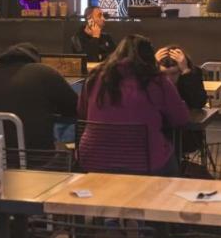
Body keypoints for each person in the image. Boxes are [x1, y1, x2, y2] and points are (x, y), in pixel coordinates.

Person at [77, 35, 190, 176]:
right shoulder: (157, 81)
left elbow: (82, 113)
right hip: (144, 163)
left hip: (92, 160)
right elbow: (180, 119)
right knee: (170, 158)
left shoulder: (94, 77)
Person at [0, 43, 79, 153]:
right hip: (33, 154)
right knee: (66, 152)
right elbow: (75, 107)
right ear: (35, 59)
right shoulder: (44, 72)